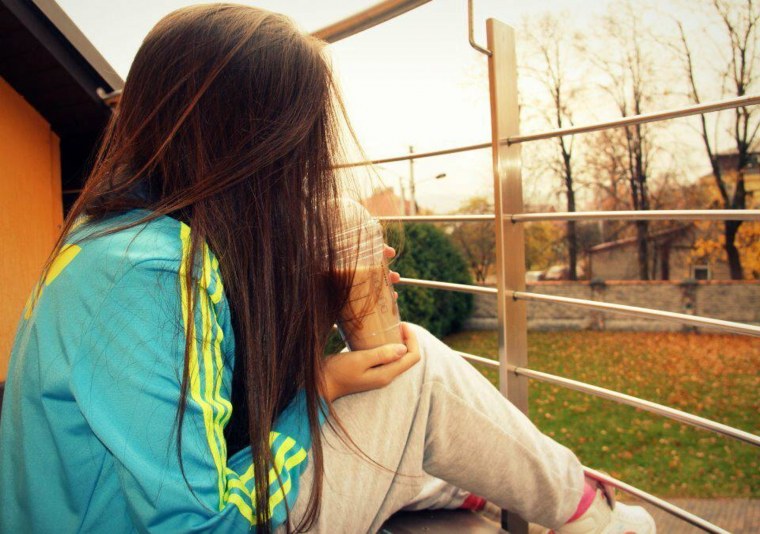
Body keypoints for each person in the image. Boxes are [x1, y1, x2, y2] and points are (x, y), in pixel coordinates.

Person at [0, 4, 656, 533]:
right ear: (252, 138)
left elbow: (200, 414)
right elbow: (197, 524)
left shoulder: (120, 238)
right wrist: (322, 387)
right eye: (299, 134)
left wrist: (309, 308)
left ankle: (464, 481)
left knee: (400, 381)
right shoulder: (149, 275)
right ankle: (593, 518)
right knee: (415, 367)